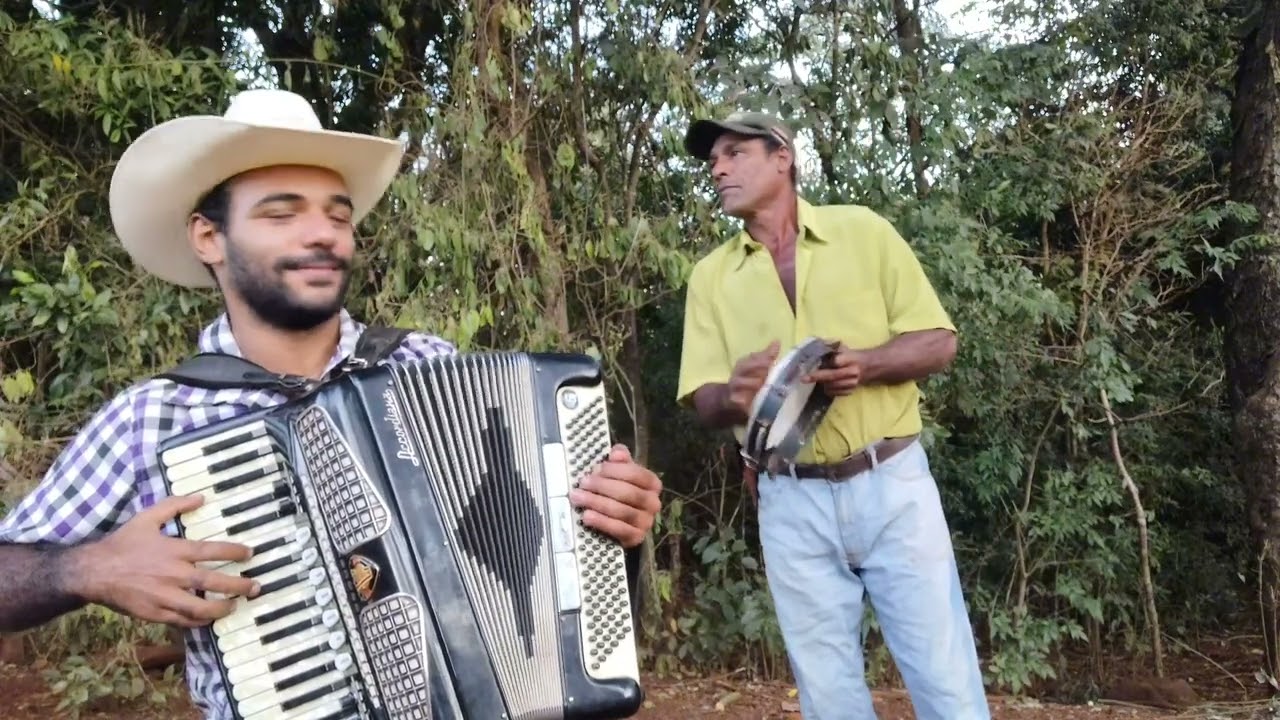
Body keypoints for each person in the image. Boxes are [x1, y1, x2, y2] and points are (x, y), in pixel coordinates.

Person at [0, 88, 663, 718]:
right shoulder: (153, 418)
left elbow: (546, 562)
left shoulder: (426, 365)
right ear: (208, 238)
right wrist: (86, 568)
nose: (322, 234)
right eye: (281, 213)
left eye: (338, 215)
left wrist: (613, 523)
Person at [675, 111, 989, 720]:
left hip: (892, 485)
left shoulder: (862, 232)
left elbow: (938, 341)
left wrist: (866, 365)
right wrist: (734, 395)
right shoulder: (710, 277)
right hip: (789, 499)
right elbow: (702, 398)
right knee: (827, 694)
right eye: (713, 160)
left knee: (945, 678)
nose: (718, 169)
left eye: (735, 153)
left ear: (782, 157)